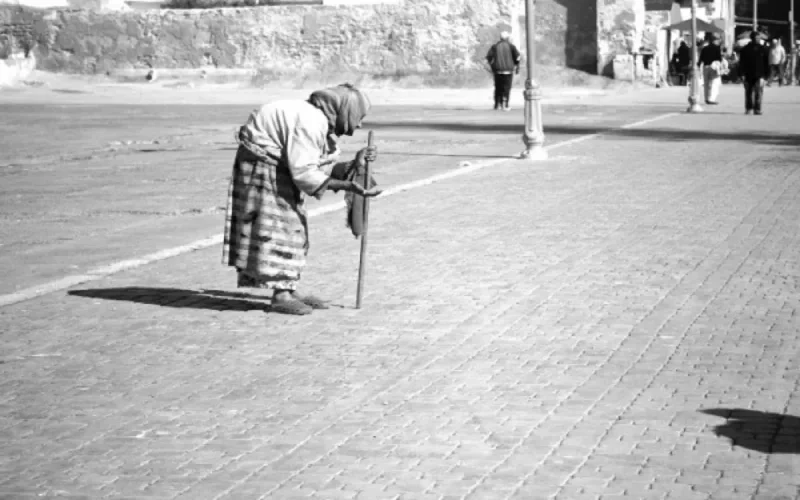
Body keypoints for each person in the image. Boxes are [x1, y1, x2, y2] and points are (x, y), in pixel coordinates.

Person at [223, 83, 381, 315]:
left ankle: (288, 287)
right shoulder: (310, 121)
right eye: (358, 117)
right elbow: (305, 173)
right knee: (282, 228)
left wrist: (353, 164)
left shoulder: (315, 119)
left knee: (291, 227)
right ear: (344, 110)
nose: (358, 124)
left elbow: (316, 166)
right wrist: (346, 184)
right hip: (263, 169)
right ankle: (281, 295)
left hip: (275, 166)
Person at [486, 31, 521, 111]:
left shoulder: (495, 46)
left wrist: (492, 66)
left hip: (497, 70)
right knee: (507, 88)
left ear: (500, 38)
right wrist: (517, 65)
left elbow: (489, 57)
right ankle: (505, 104)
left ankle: (497, 104)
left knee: (498, 87)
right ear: (508, 38)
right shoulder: (511, 46)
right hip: (508, 71)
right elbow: (518, 57)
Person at [739, 31, 770, 115]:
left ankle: (757, 109)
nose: (758, 39)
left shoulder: (763, 49)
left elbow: (766, 63)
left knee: (759, 92)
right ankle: (749, 108)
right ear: (752, 38)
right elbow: (741, 63)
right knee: (748, 92)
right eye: (756, 38)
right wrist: (741, 74)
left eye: (759, 38)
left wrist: (767, 75)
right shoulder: (745, 49)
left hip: (760, 74)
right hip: (748, 74)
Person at [698, 33, 723, 104]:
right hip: (714, 67)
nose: (718, 41)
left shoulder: (704, 48)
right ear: (715, 40)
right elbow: (719, 59)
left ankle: (706, 98)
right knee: (714, 83)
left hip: (705, 67)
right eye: (718, 40)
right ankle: (711, 99)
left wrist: (698, 66)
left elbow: (700, 59)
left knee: (706, 84)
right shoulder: (717, 48)